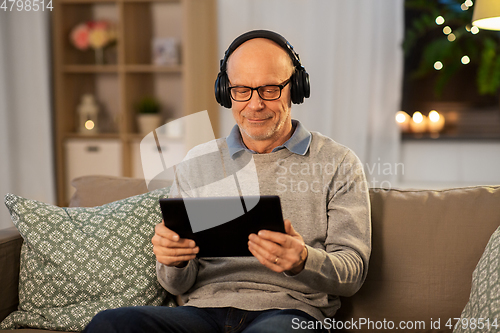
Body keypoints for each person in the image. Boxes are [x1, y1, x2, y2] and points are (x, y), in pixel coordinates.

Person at [83, 30, 371, 333]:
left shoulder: (339, 162)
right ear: (225, 91)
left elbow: (353, 273)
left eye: (270, 89)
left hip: (291, 312)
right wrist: (174, 262)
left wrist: (303, 260)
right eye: (242, 90)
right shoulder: (199, 162)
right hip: (203, 313)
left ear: (296, 88)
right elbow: (174, 283)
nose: (255, 104)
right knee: (110, 324)